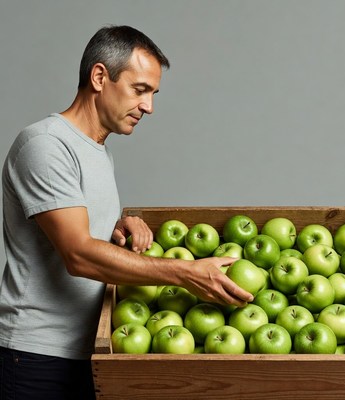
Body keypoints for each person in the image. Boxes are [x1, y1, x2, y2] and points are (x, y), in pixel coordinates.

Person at [0, 25, 253, 400]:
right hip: (37, 356)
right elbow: (78, 253)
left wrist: (118, 226)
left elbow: (75, 228)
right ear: (100, 77)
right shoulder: (45, 145)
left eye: (153, 93)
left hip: (92, 350)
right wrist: (184, 273)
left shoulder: (99, 151)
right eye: (140, 90)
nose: (149, 106)